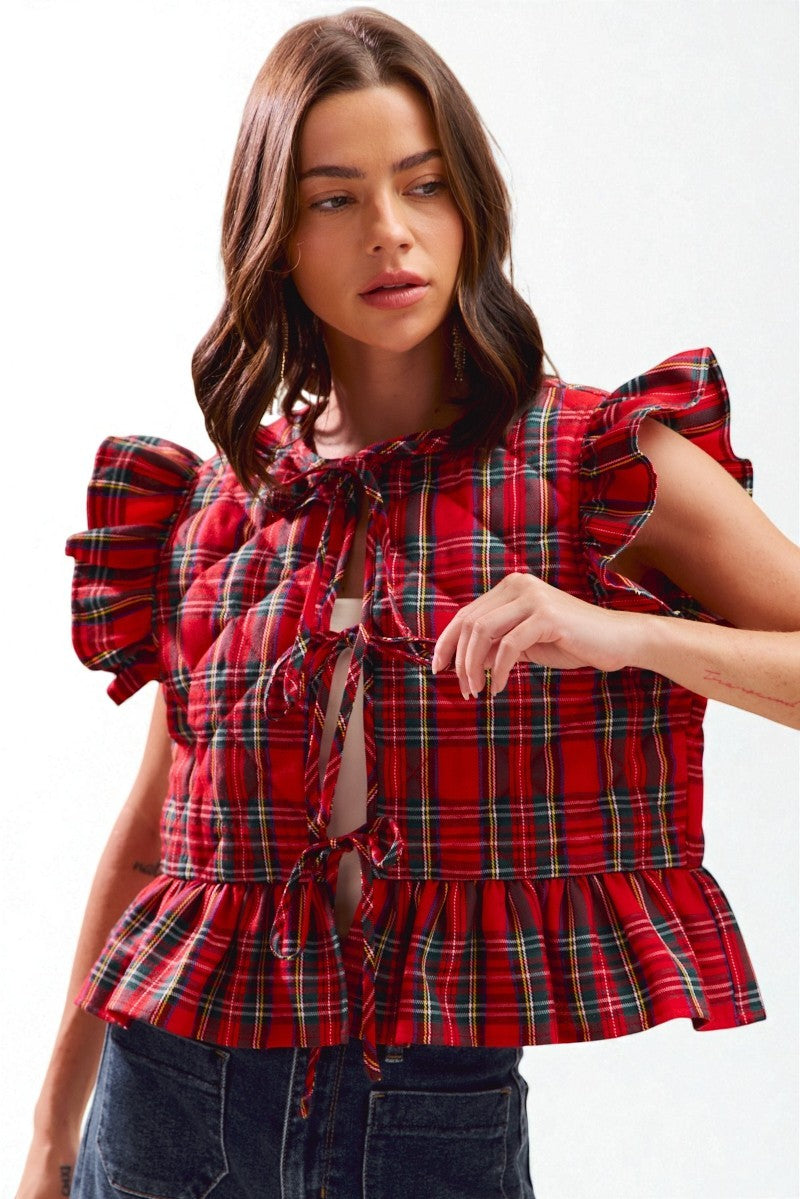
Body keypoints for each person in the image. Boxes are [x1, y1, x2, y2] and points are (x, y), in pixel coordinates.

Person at [16, 7, 799, 1199]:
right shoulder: (218, 504)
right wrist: (48, 1141)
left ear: (467, 202)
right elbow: (147, 842)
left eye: (421, 184)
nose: (390, 232)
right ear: (274, 235)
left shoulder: (596, 459)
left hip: (433, 1108)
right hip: (165, 1103)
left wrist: (622, 633)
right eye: (333, 197)